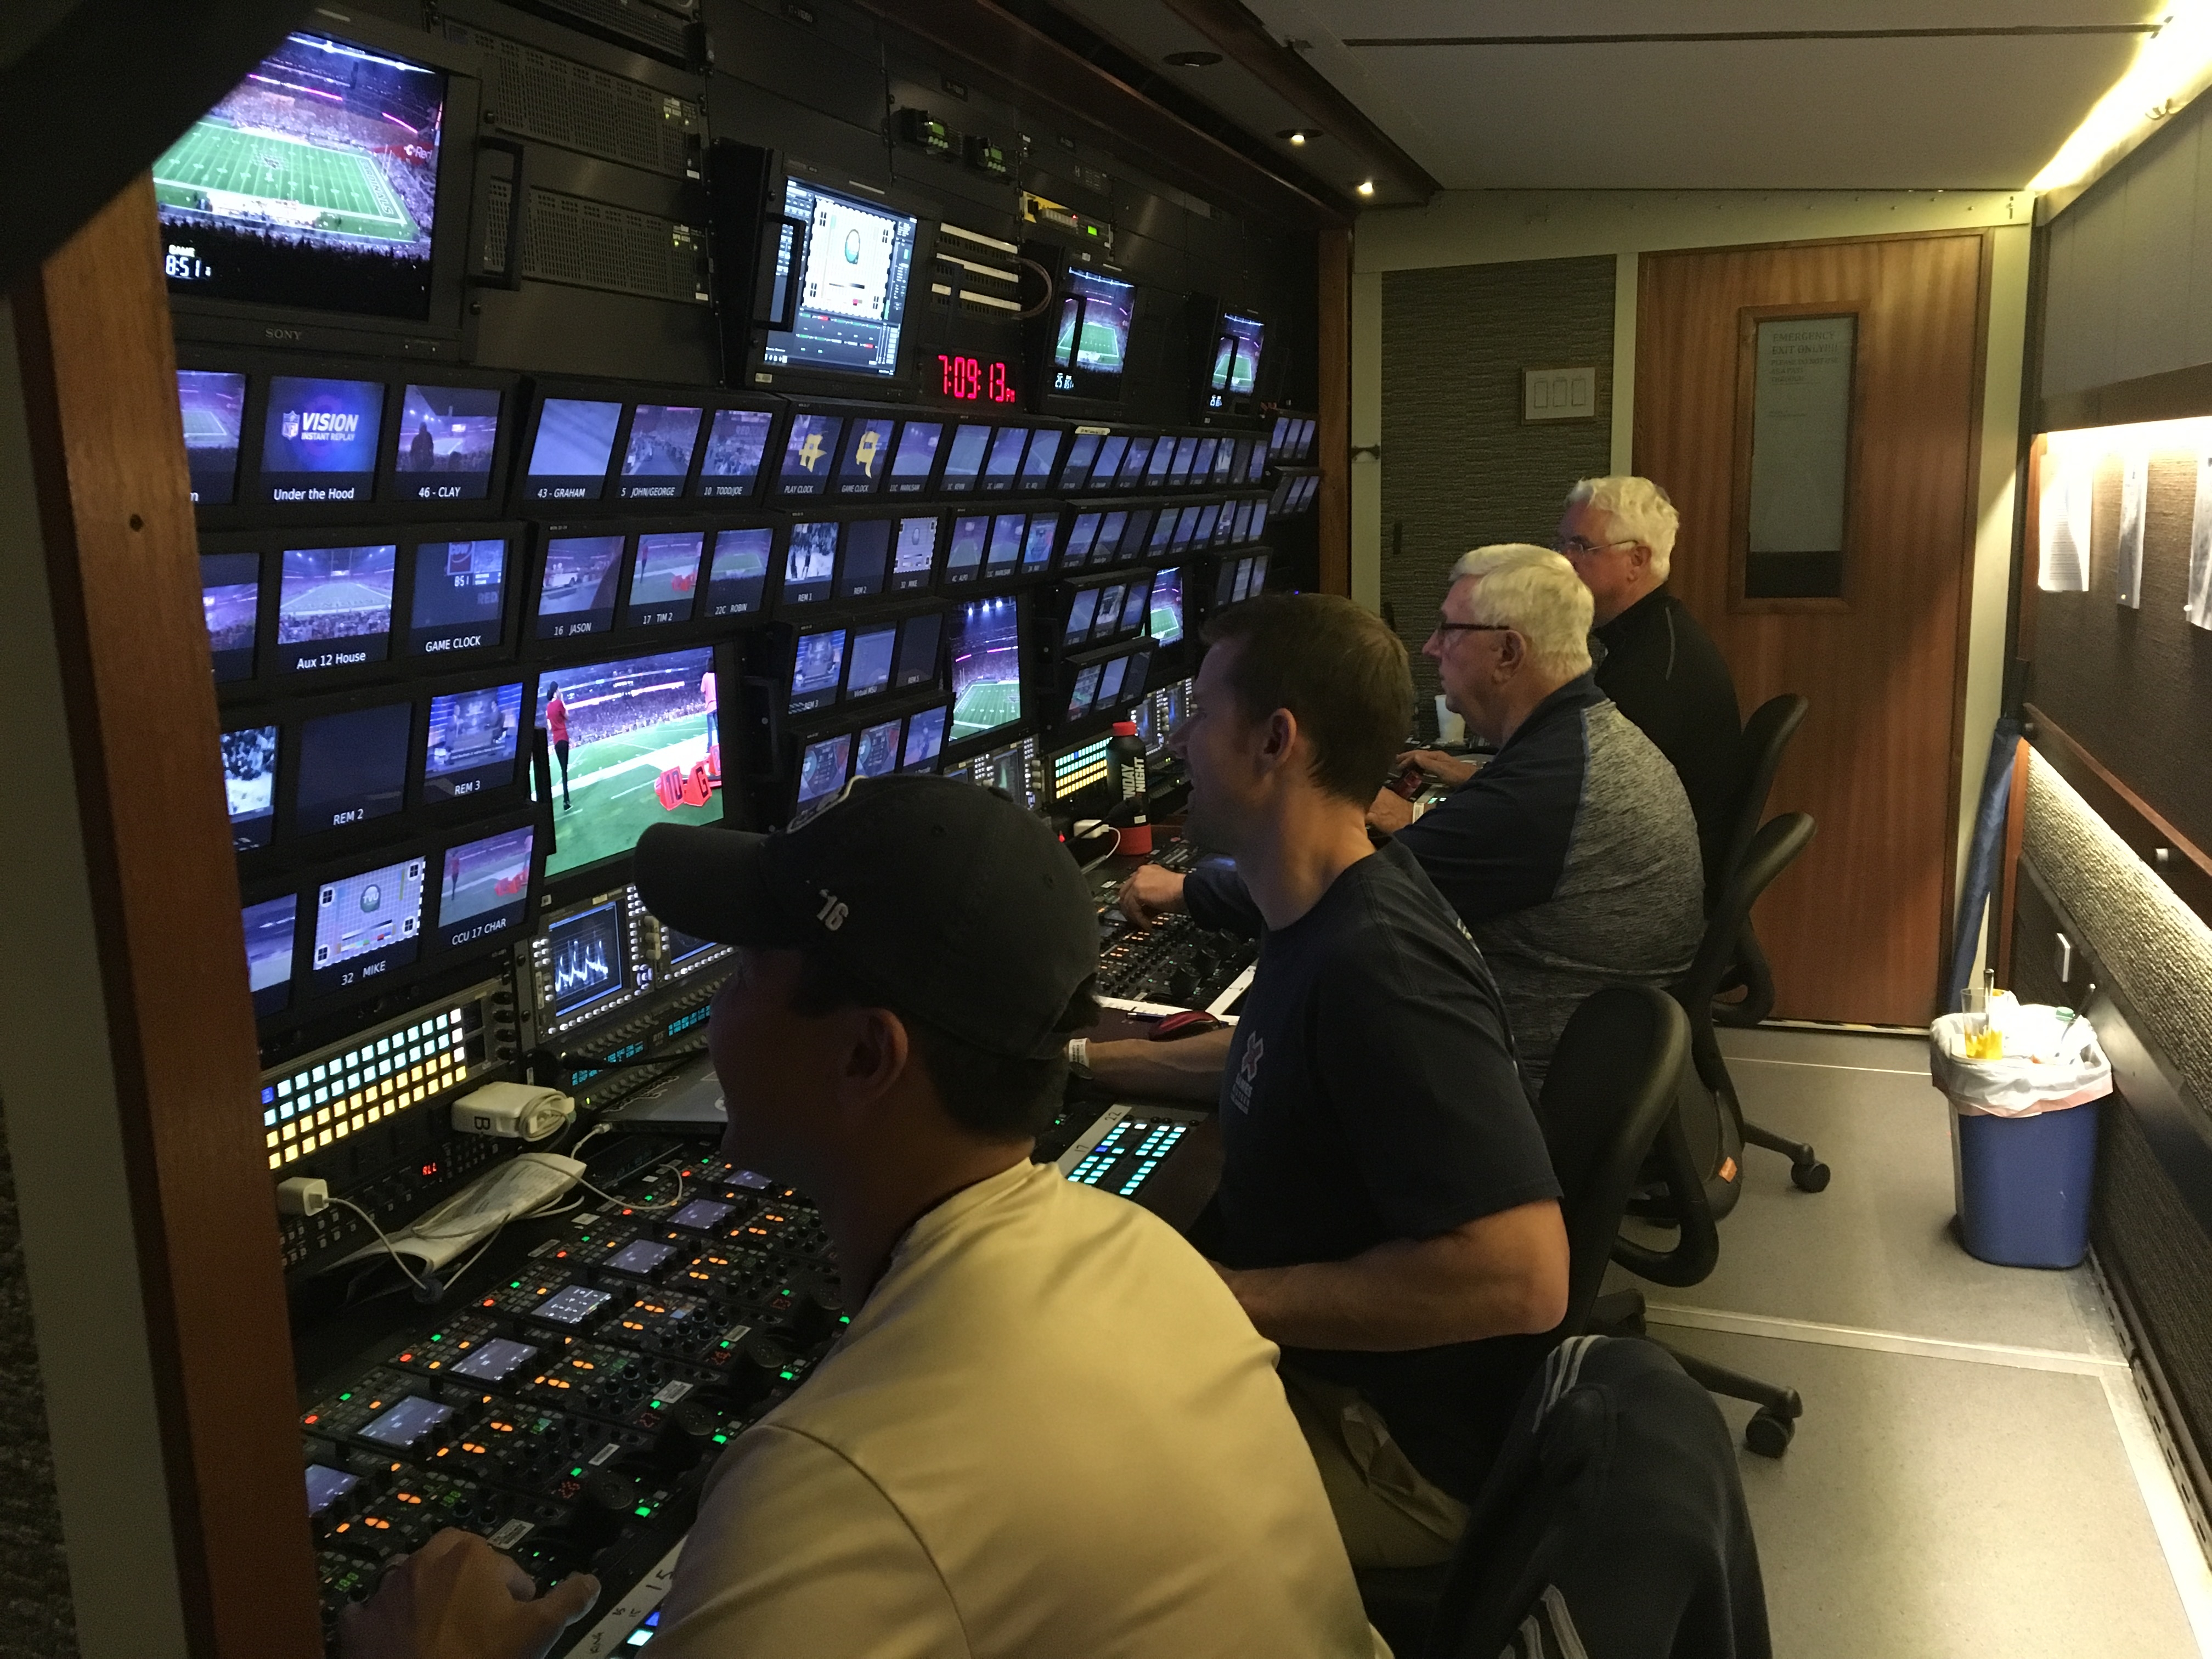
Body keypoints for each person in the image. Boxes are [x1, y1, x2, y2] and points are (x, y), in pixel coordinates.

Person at [342, 774, 1386, 1659]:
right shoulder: (1146, 1251)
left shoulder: (834, 1487)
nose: (717, 1012)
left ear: (863, 1057)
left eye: (746, 968)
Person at [1085, 594, 1567, 1571]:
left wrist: (1220, 1297)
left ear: (1276, 740)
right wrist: (1086, 1062)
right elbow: (1276, 1052)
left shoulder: (1380, 964)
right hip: (1337, 1385)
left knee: (1053, 1488)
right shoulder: (1326, 901)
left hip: (1393, 1451)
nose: (1177, 741)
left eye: (1200, 713)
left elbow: (1524, 1275)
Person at [1122, 548, 1704, 1096]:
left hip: (1529, 1072)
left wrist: (1185, 891)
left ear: (1508, 652)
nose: (1429, 647)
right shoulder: (1578, 742)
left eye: (1449, 629)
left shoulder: (1543, 793)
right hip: (1591, 1050)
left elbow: (1336, 894)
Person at [1554, 476, 1742, 873]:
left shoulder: (1654, 666)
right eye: (1563, 544)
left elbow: (1579, 800)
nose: (1564, 560)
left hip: (1652, 881)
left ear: (1637, 560)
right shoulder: (1652, 634)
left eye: (1581, 546)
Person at [543, 684, 571, 811]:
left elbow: (550, 728)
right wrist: (563, 701)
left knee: (562, 769)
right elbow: (567, 716)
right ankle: (566, 800)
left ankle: (566, 799)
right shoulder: (559, 703)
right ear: (556, 691)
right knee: (564, 771)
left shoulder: (548, 708)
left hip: (556, 741)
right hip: (563, 737)